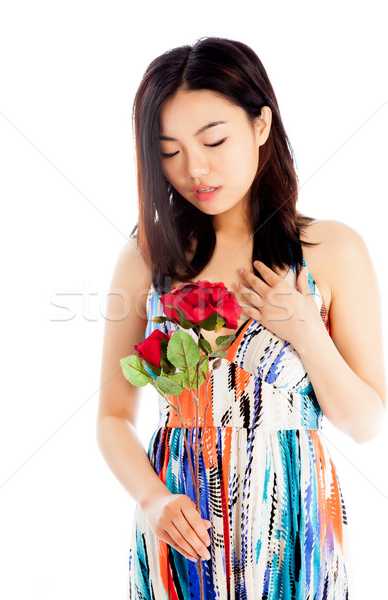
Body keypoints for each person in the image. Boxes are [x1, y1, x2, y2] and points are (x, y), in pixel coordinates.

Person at [96, 36, 386, 599]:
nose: (194, 169)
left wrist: (306, 331)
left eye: (214, 140)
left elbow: (366, 422)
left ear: (260, 126)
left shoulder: (332, 250)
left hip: (294, 530)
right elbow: (112, 416)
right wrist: (154, 500)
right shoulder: (146, 259)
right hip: (182, 532)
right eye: (170, 150)